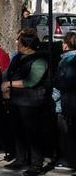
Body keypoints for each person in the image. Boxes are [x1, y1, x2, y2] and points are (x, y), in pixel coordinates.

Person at [2, 29, 48, 175]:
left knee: (33, 133)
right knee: (17, 130)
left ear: (26, 45)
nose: (17, 43)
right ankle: (21, 159)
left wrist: (9, 84)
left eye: (19, 41)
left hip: (31, 101)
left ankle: (36, 165)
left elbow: (32, 81)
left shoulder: (39, 60)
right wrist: (6, 87)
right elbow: (7, 73)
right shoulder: (17, 58)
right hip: (16, 99)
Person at [55, 32, 76, 171]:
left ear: (67, 44)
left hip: (67, 101)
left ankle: (69, 160)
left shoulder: (68, 60)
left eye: (63, 42)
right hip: (69, 100)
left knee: (67, 132)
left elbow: (64, 82)